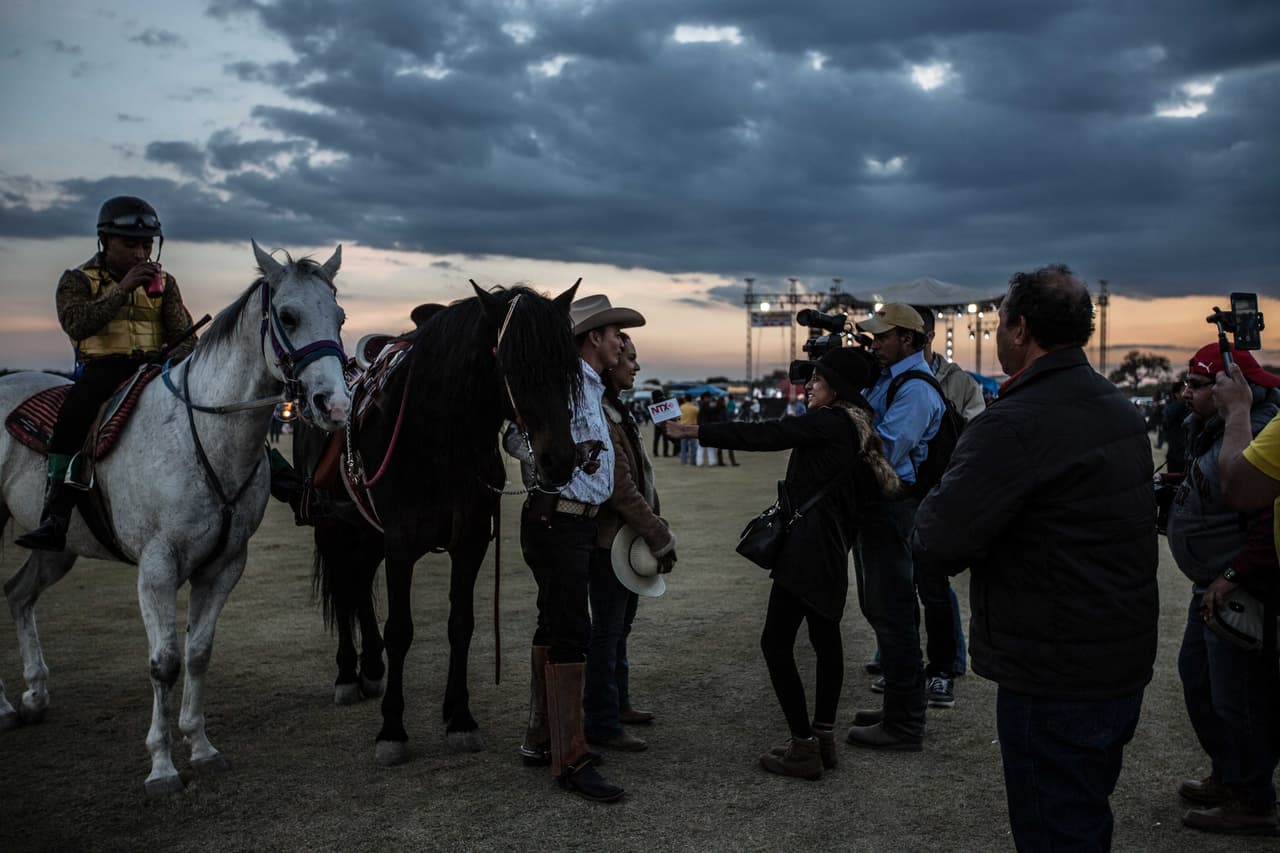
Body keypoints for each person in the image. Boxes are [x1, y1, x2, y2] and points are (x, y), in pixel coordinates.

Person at [913, 265, 1159, 851]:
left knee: (1055, 827)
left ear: (1020, 329)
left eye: (1001, 322)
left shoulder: (1014, 422)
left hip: (1054, 668)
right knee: (1084, 810)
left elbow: (937, 539)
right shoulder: (1116, 407)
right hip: (1117, 653)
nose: (998, 333)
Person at [664, 347, 900, 779]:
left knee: (775, 643)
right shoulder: (859, 429)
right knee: (826, 641)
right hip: (831, 550)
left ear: (837, 388)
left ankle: (803, 746)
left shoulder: (830, 422)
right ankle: (822, 738)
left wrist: (692, 431)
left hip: (806, 550)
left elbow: (767, 434)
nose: (808, 385)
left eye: (818, 379)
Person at [508, 293, 643, 803]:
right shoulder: (564, 383)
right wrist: (551, 458)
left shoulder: (587, 383)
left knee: (554, 625)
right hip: (559, 519)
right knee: (571, 632)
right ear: (594, 338)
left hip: (576, 522)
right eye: (614, 336)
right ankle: (570, 759)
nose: (620, 345)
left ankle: (542, 738)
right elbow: (514, 436)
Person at [17, 196, 195, 552]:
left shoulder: (166, 283)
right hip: (103, 368)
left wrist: (175, 353)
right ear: (104, 241)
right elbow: (78, 323)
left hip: (155, 368)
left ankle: (281, 478)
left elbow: (186, 335)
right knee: (74, 415)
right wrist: (123, 288)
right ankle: (56, 514)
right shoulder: (76, 280)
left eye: (146, 245)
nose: (140, 254)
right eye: (130, 245)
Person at [1167, 343, 1280, 836]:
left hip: (1238, 588)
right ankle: (1229, 774)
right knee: (1200, 681)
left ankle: (1252, 798)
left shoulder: (1255, 428)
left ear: (1232, 389)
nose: (1185, 392)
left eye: (1196, 385)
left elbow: (1264, 518)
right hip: (1211, 585)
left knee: (1240, 697)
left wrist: (1232, 574)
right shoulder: (1210, 426)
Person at [844, 303, 943, 751]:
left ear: (908, 338)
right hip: (882, 507)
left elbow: (884, 448)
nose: (875, 344)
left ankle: (905, 722)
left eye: (883, 336)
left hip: (894, 505)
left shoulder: (916, 388)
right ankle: (899, 707)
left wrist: (846, 415)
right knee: (881, 608)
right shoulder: (894, 379)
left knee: (895, 611)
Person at [584, 333, 676, 752]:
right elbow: (620, 488)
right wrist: (658, 533)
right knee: (607, 633)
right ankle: (602, 722)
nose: (636, 366)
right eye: (630, 358)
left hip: (625, 538)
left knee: (618, 630)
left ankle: (617, 705)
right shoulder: (603, 414)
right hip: (611, 542)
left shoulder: (615, 410)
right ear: (611, 363)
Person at [678, 395, 699, 465]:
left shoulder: (681, 407)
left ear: (685, 400)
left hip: (683, 427)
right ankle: (693, 461)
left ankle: (683, 461)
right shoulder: (695, 408)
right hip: (692, 427)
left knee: (683, 446)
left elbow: (678, 418)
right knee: (693, 446)